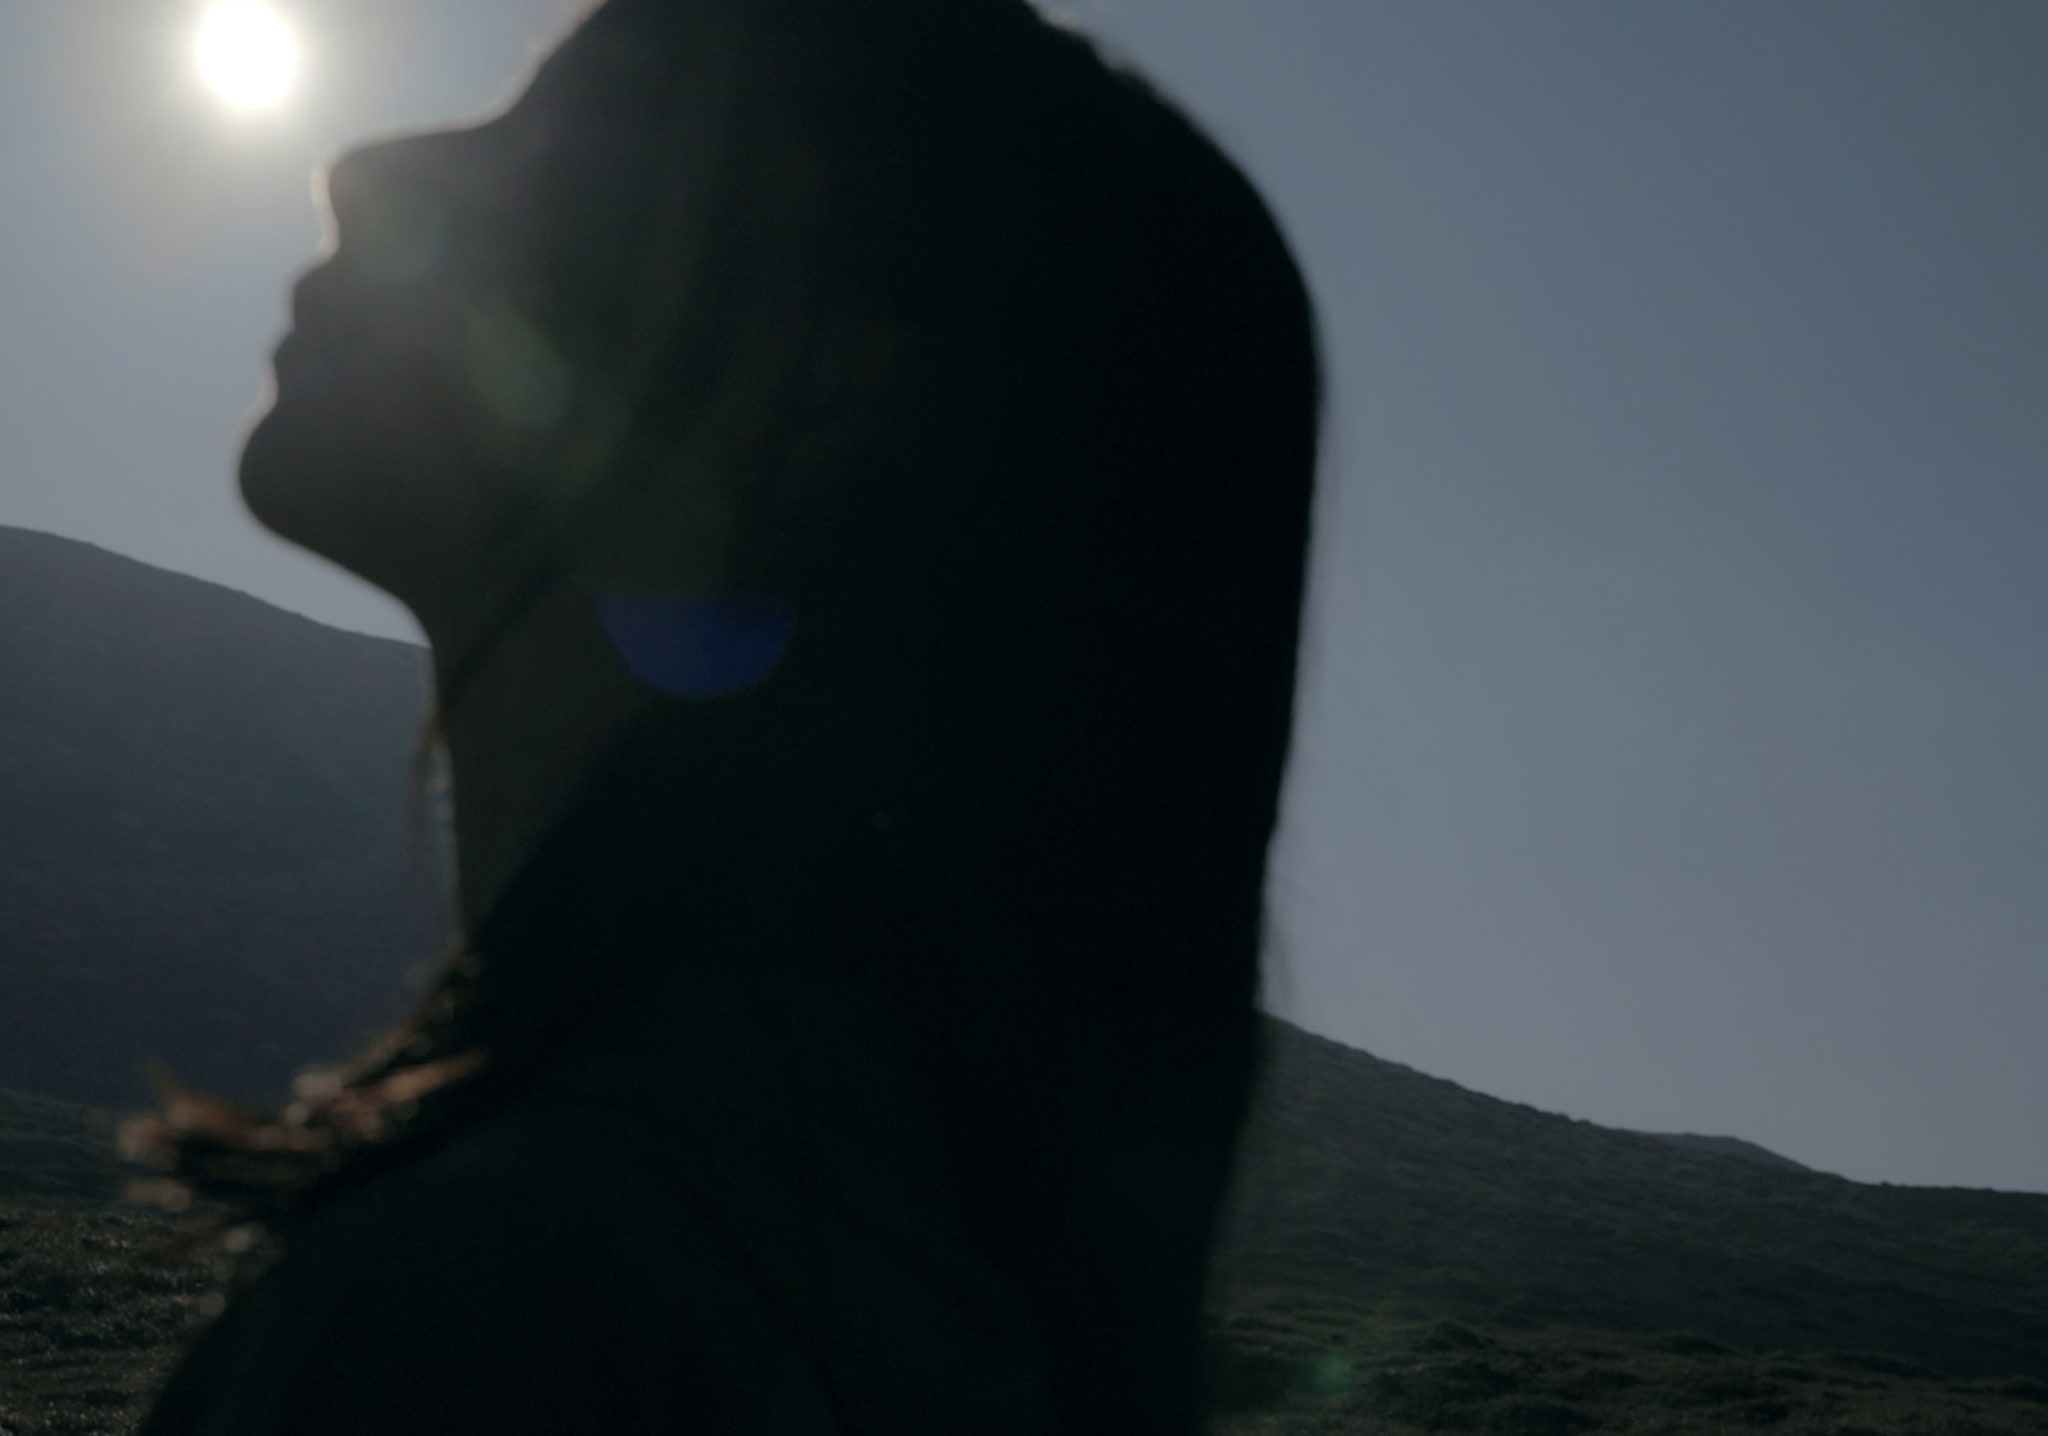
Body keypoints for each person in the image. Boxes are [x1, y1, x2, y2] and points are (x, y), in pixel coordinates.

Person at [115, 0, 1322, 1430]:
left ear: (830, 373)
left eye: (576, 139)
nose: (365, 165)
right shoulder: (889, 1278)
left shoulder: (498, 1312)